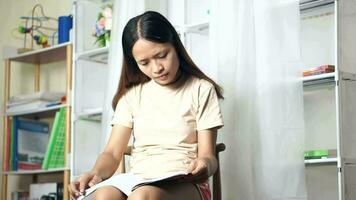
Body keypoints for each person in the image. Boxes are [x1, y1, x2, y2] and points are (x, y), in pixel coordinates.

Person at [68, 11, 224, 200]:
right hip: (138, 180)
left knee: (142, 197)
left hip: (186, 184)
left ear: (175, 45)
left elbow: (208, 156)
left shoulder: (200, 89)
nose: (157, 68)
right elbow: (112, 153)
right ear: (134, 63)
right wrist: (95, 174)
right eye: (144, 62)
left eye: (162, 55)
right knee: (104, 195)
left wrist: (205, 164)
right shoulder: (132, 95)